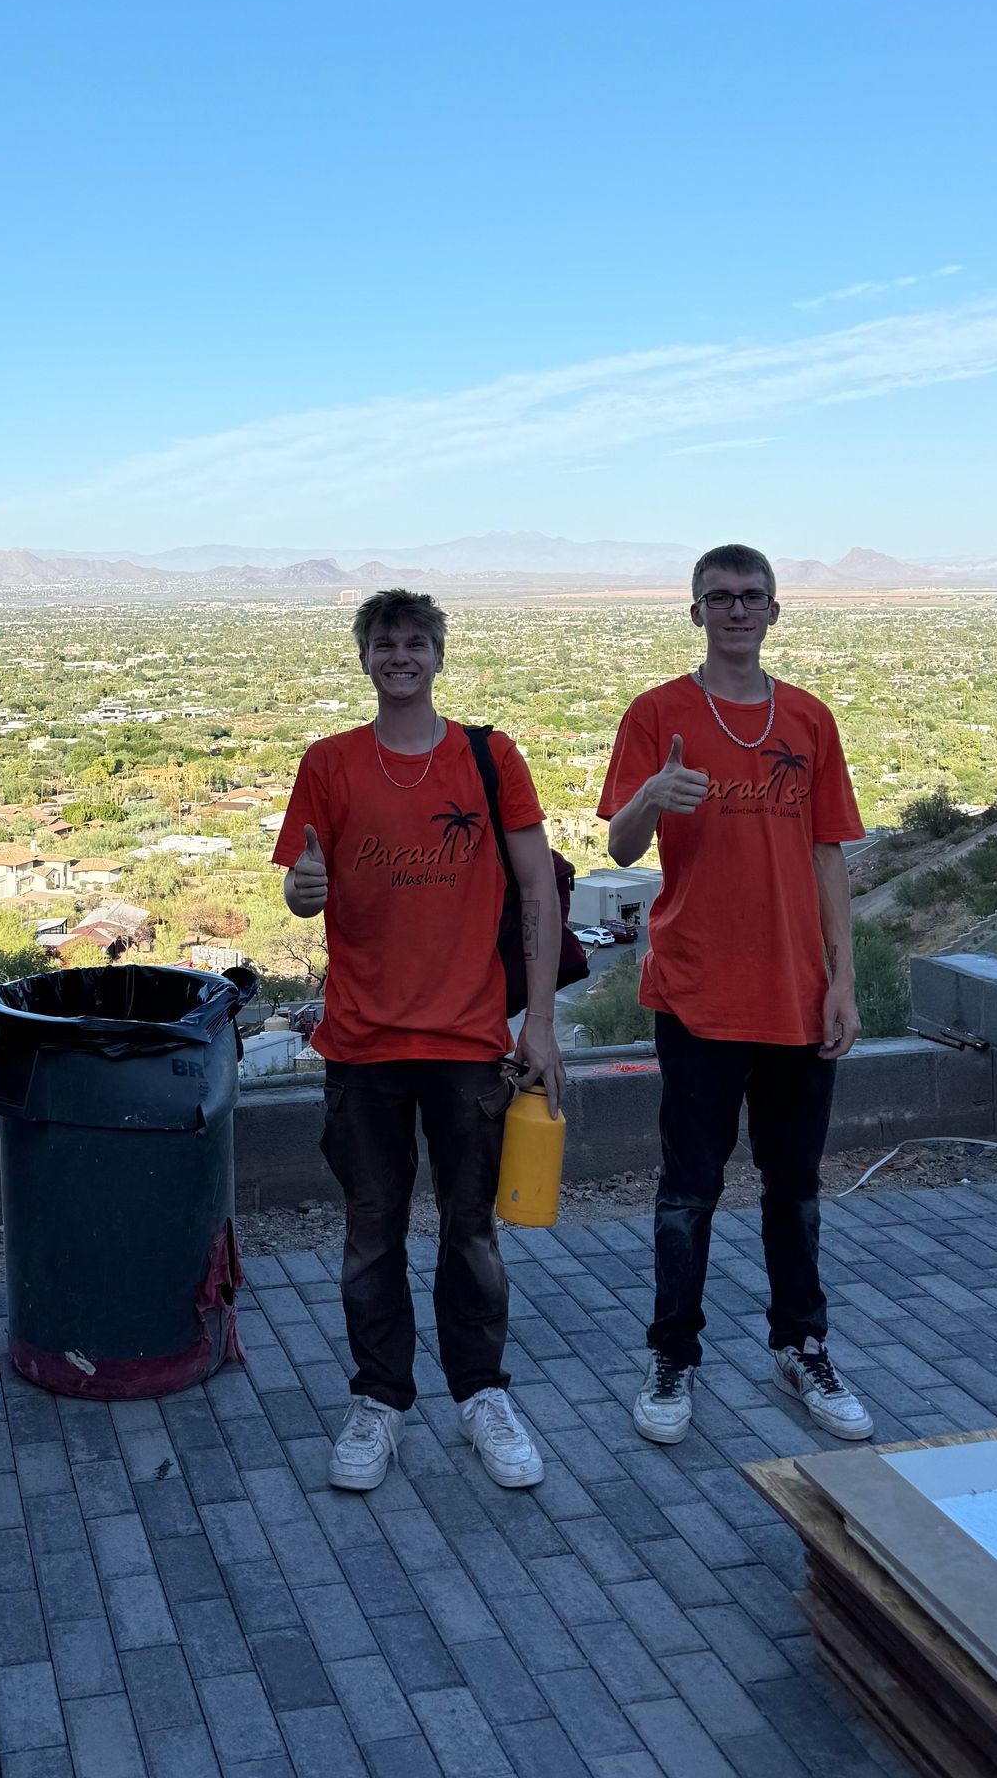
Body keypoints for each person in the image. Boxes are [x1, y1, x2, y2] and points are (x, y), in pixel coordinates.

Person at [275, 588, 567, 1494]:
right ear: (364, 659)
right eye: (383, 644)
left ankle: (481, 1393)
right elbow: (299, 889)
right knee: (372, 1232)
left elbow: (537, 892)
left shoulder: (490, 758)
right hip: (362, 1042)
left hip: (470, 1038)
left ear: (439, 656)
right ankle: (380, 1400)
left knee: (471, 1231)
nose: (399, 656)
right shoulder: (328, 764)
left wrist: (543, 1024)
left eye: (415, 643)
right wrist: (304, 894)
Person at [599, 543, 873, 1447]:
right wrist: (652, 794)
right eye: (719, 597)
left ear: (774, 610)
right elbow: (622, 851)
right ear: (695, 612)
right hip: (697, 996)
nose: (737, 609)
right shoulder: (659, 714)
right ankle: (673, 1354)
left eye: (752, 596)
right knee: (689, 1189)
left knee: (794, 1188)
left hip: (797, 997)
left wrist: (843, 981)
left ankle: (802, 1346)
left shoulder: (809, 719)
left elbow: (829, 854)